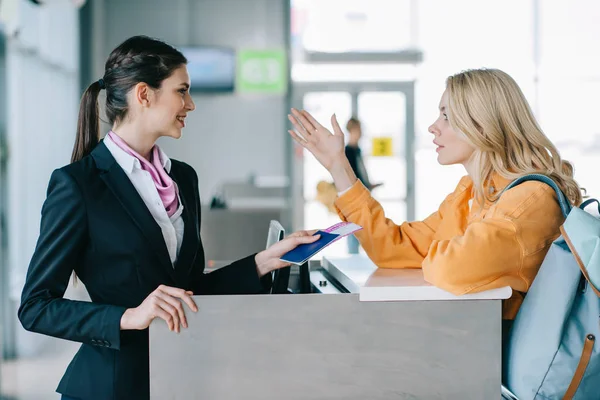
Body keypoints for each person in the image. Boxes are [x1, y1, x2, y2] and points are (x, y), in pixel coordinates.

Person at [18, 35, 319, 400]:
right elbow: (36, 307)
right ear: (144, 94)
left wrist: (263, 261)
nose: (190, 104)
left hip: (180, 378)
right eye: (182, 91)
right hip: (114, 387)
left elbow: (188, 290)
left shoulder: (184, 178)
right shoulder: (78, 185)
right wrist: (128, 316)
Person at [288, 68, 582, 324]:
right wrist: (338, 165)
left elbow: (452, 267)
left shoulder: (531, 200)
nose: (433, 127)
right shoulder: (472, 192)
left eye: (446, 116)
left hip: (496, 366)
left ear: (482, 125)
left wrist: (438, 250)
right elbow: (394, 248)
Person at [343, 117, 382, 253]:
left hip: (363, 194)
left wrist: (369, 185)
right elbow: (350, 177)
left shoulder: (357, 150)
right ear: (352, 130)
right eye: (358, 129)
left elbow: (359, 174)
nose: (361, 133)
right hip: (354, 199)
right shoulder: (348, 152)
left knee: (363, 231)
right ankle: (352, 258)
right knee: (355, 232)